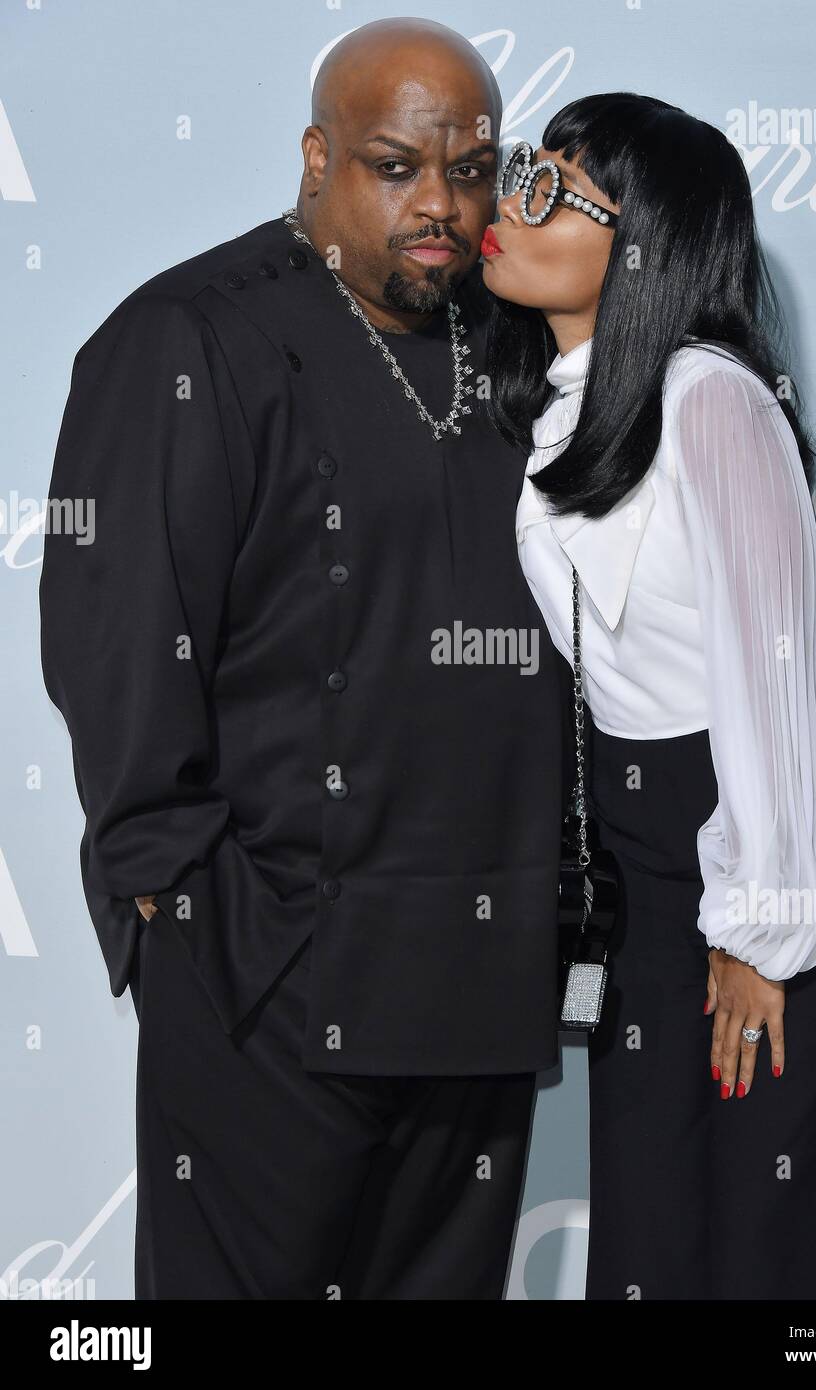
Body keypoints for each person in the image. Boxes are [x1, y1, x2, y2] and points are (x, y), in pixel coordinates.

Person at [38, 18, 567, 1300]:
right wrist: (199, 917)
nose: (440, 205)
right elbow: (114, 649)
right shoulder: (186, 338)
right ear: (316, 157)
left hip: (482, 976)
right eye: (396, 167)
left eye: (472, 167)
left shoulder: (518, 344)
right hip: (270, 972)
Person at [481, 92, 816, 1300]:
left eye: (556, 190)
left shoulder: (711, 399)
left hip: (765, 834)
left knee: (773, 1226)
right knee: (656, 1211)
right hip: (646, 848)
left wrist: (760, 924)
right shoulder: (557, 400)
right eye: (526, 171)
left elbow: (773, 669)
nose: (513, 206)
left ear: (647, 242)